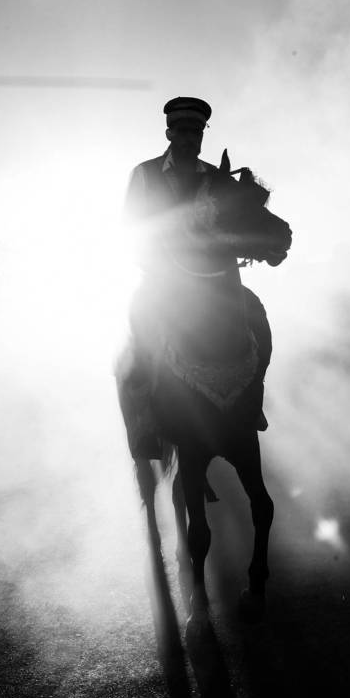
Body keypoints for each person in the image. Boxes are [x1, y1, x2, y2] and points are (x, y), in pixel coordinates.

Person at [117, 97, 271, 458]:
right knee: (142, 328)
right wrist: (155, 259)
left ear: (202, 135)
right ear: (169, 133)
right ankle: (146, 423)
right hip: (163, 279)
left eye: (197, 132)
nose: (190, 138)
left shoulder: (216, 177)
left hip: (212, 276)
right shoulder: (145, 174)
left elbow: (236, 222)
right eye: (183, 131)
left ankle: (253, 399)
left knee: (256, 315)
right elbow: (131, 226)